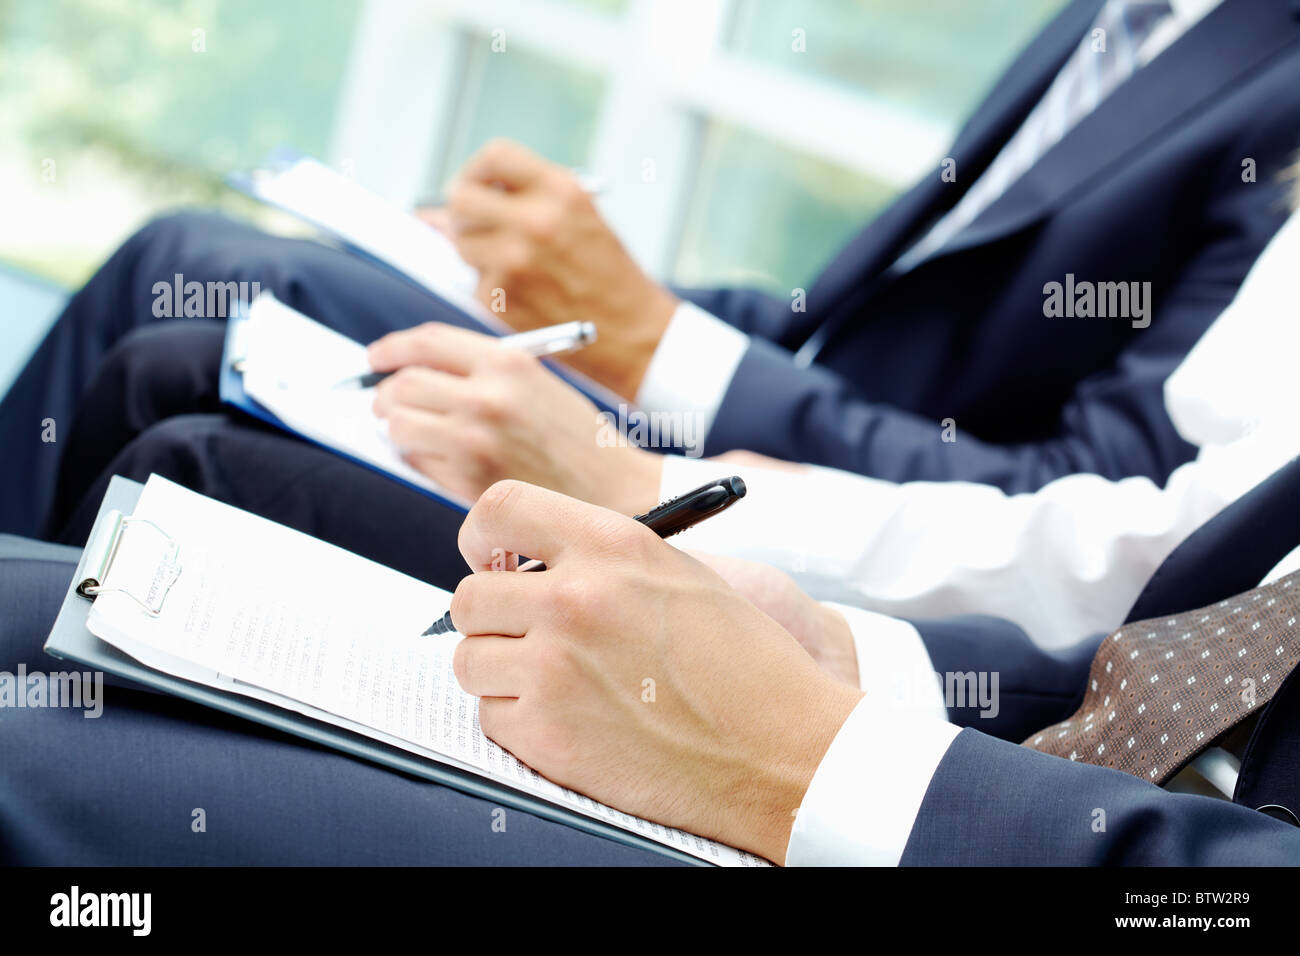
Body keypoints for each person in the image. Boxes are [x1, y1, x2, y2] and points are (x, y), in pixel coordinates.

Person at [6, 0, 1300, 540]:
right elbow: (843, 320)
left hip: (811, 500)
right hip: (754, 414)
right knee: (191, 279)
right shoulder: (1133, 16)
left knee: (197, 294)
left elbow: (1087, 505)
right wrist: (583, 288)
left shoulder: (1277, 82)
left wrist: (640, 335)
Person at [36, 183, 1300, 649]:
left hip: (848, 522)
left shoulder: (1268, 84)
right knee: (181, 325)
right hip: (816, 488)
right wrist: (608, 309)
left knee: (185, 380)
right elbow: (841, 316)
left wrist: (648, 368)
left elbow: (1123, 523)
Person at [4, 452, 1300, 865]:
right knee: (40, 612)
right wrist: (849, 662)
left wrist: (802, 760)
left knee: (31, 757)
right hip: (986, 773)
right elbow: (1191, 665)